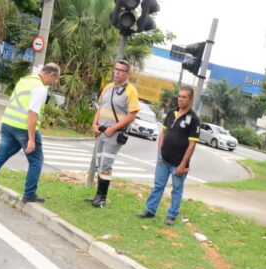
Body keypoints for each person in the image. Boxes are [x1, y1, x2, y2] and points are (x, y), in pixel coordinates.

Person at [0, 63, 61, 207]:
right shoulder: (40, 89)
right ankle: (29, 194)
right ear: (52, 75)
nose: (54, 82)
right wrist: (31, 139)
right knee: (36, 160)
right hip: (23, 129)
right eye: (55, 79)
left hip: (8, 124)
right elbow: (32, 114)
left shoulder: (25, 80)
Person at [137, 86, 200, 226]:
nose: (180, 99)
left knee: (176, 189)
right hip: (163, 159)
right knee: (158, 186)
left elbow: (192, 145)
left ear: (190, 99)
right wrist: (159, 152)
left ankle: (171, 215)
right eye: (179, 96)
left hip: (179, 164)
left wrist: (183, 164)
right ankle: (150, 210)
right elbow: (163, 134)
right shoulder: (172, 113)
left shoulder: (194, 119)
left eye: (184, 97)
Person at [85, 60, 140, 207]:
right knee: (99, 164)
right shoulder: (108, 87)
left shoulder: (131, 90)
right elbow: (100, 108)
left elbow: (132, 115)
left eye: (122, 70)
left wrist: (114, 128)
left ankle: (102, 198)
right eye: (116, 69)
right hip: (101, 132)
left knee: (106, 165)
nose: (117, 72)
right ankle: (97, 195)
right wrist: (94, 124)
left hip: (114, 134)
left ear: (127, 73)